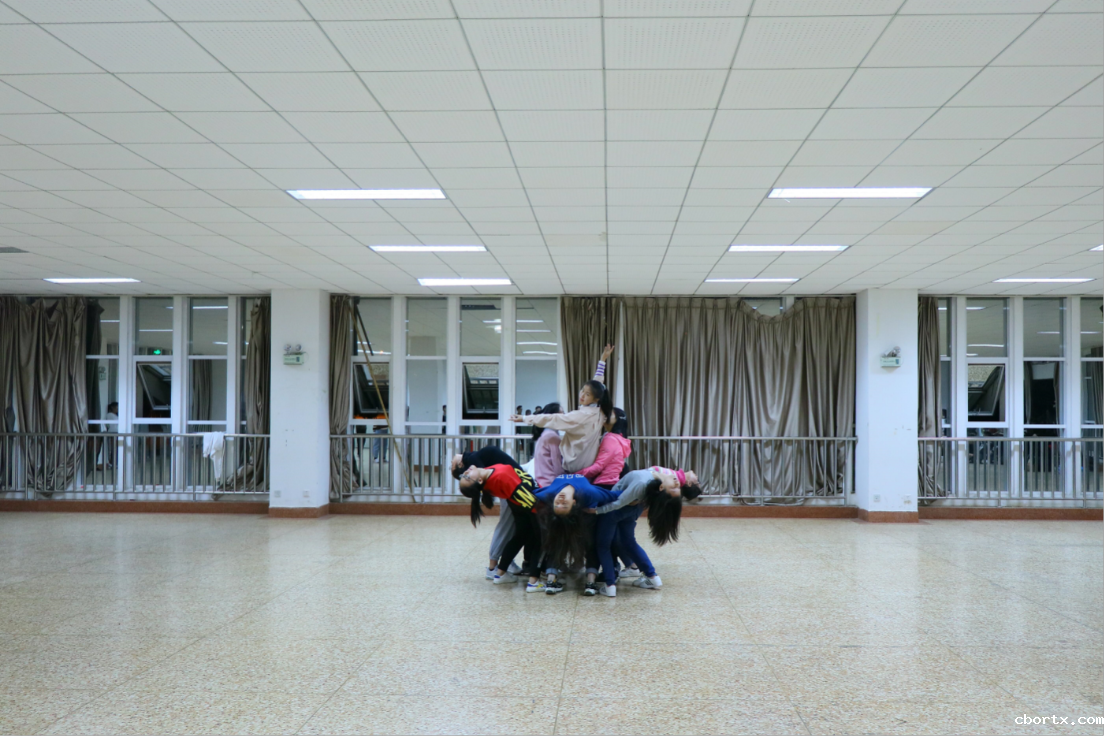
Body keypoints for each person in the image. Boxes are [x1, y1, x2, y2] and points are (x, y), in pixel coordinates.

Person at [509, 345, 616, 473]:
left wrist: (525, 418)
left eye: (587, 394)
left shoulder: (581, 416)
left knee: (542, 455)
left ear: (595, 399)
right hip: (587, 462)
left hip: (573, 464)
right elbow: (597, 383)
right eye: (582, 390)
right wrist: (602, 360)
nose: (582, 395)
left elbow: (553, 418)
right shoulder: (600, 410)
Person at [591, 468, 691, 598]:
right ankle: (652, 577)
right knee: (629, 542)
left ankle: (610, 586)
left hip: (616, 510)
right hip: (632, 509)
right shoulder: (658, 477)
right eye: (678, 488)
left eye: (674, 488)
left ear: (661, 488)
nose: (677, 483)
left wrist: (596, 511)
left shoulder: (643, 482)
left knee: (603, 545)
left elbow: (618, 503)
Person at [458, 462, 544, 592]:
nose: (465, 472)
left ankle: (501, 574)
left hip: (516, 504)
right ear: (479, 480)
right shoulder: (500, 477)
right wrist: (544, 511)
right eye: (467, 477)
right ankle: (534, 582)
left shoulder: (485, 472)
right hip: (528, 504)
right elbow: (526, 497)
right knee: (541, 539)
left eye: (463, 475)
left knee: (520, 536)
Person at [533, 473, 618, 596]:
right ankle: (588, 582)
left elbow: (531, 492)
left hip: (577, 517)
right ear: (573, 502)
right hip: (585, 515)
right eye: (564, 504)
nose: (560, 500)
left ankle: (555, 580)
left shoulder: (549, 494)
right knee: (587, 545)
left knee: (560, 541)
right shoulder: (589, 493)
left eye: (557, 504)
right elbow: (614, 495)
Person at [450, 447, 524, 580]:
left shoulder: (472, 458)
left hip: (511, 485)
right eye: (452, 465)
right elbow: (484, 478)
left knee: (509, 527)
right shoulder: (473, 461)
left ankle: (505, 562)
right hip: (510, 487)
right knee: (506, 527)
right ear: (460, 465)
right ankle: (493, 566)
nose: (451, 461)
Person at [578, 408, 631, 489]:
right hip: (612, 483)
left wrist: (574, 475)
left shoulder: (610, 438)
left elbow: (598, 467)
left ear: (618, 418)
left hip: (603, 483)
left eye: (609, 414)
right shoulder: (619, 438)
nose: (604, 416)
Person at [532, 402, 563, 487]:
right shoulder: (552, 436)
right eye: (561, 413)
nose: (564, 416)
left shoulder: (545, 434)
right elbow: (557, 466)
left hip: (541, 482)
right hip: (551, 483)